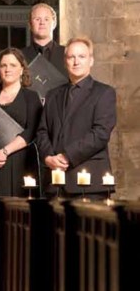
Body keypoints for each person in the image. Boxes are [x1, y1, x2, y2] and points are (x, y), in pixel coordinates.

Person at [35, 36, 117, 196]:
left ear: (91, 61)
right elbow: (42, 132)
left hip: (89, 183)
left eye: (81, 56)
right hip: (55, 182)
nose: (76, 61)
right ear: (65, 61)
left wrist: (66, 156)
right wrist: (48, 158)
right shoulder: (53, 95)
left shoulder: (104, 93)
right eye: (71, 57)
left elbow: (101, 134)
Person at [0, 48, 42, 196]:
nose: (7, 69)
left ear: (22, 69)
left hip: (20, 163)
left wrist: (5, 151)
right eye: (3, 65)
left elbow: (31, 131)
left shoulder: (31, 97)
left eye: (13, 65)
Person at [21, 2, 65, 71]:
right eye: (37, 19)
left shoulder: (66, 54)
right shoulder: (20, 57)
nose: (42, 23)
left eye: (46, 19)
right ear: (30, 25)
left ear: (54, 24)